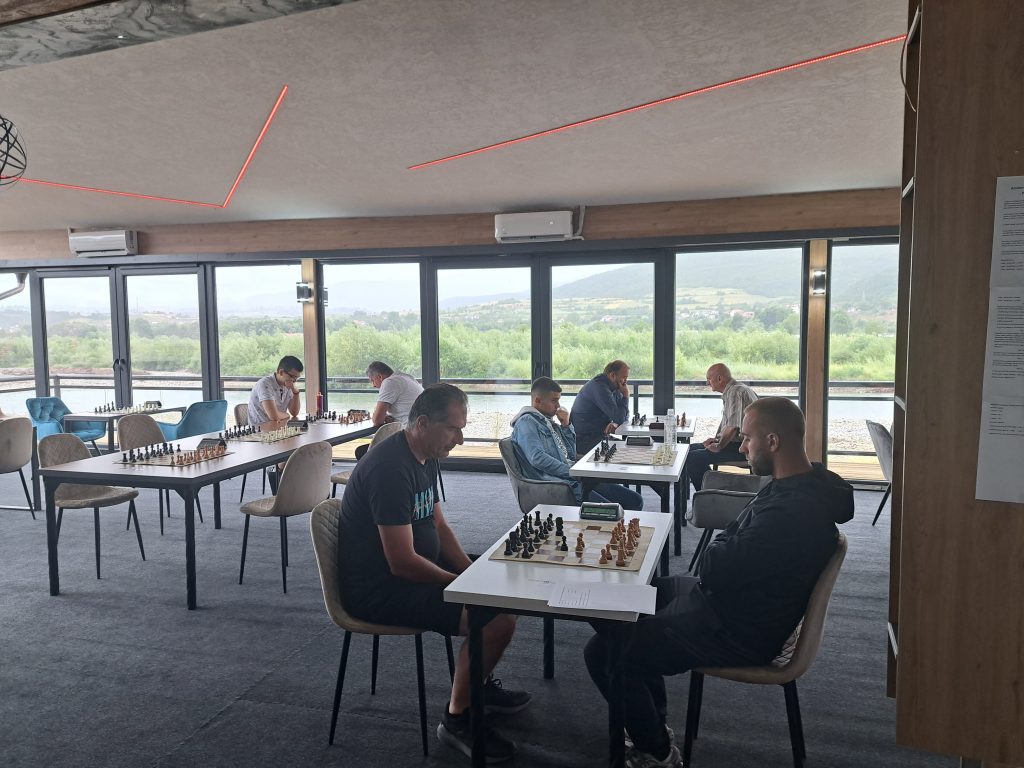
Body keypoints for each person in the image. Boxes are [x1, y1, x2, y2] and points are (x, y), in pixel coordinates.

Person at [584, 397, 853, 768]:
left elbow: (714, 565)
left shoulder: (792, 512)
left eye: (747, 438)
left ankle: (656, 751)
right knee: (618, 604)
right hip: (728, 602)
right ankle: (650, 722)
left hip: (736, 629)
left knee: (604, 652)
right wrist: (730, 537)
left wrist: (728, 537)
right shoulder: (803, 485)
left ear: (773, 441)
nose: (741, 448)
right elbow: (729, 547)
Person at [337, 383, 530, 763]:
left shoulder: (424, 454)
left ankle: (476, 685)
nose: (460, 439)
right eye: (453, 429)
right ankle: (457, 718)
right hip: (382, 589)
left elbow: (438, 525)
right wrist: (465, 586)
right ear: (423, 423)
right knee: (495, 619)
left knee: (502, 583)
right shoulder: (390, 470)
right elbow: (402, 562)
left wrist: (471, 571)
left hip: (417, 570)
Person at [511, 377, 643, 510]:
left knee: (635, 500)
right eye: (554, 401)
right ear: (538, 401)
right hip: (561, 485)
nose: (558, 406)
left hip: (576, 479)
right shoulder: (527, 422)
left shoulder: (548, 422)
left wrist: (566, 425)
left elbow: (570, 453)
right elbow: (537, 458)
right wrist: (572, 471)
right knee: (616, 510)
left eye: (558, 400)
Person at [684, 363, 758, 492]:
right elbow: (732, 426)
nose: (707, 383)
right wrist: (717, 440)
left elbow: (733, 427)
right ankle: (711, 489)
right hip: (739, 444)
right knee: (689, 449)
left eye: (709, 379)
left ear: (719, 378)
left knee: (692, 458)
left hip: (744, 448)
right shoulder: (736, 389)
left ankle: (708, 495)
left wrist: (719, 446)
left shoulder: (735, 392)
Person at [570, 360, 631, 453]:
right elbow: (620, 418)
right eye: (624, 378)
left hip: (599, 435)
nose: (625, 382)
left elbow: (624, 416)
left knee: (632, 447)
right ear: (612, 375)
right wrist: (626, 396)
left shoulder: (615, 387)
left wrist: (615, 423)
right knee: (627, 450)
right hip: (584, 440)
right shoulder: (599, 387)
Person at [247, 355, 302, 431]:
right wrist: (287, 415)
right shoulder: (265, 384)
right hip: (259, 431)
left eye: (297, 378)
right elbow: (274, 416)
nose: (294, 381)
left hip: (278, 428)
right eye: (292, 377)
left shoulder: (288, 385)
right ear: (281, 372)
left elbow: (294, 413)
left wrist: (296, 393)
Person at [367, 361, 423, 427]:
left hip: (412, 429)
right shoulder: (407, 377)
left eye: (372, 380)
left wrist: (377, 415)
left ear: (380, 377)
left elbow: (377, 421)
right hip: (423, 426)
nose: (373, 385)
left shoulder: (389, 382)